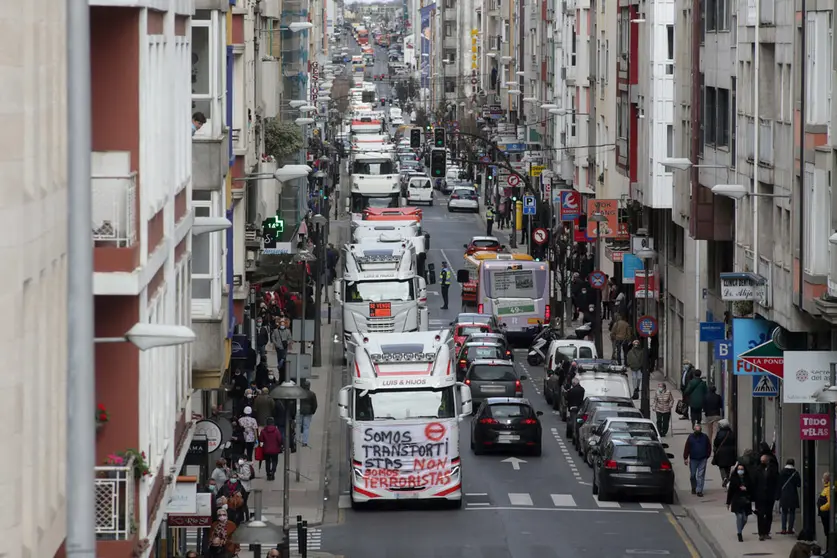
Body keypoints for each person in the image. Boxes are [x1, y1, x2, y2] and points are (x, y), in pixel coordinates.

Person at [753, 451, 779, 540]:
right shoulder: (757, 470)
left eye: (764, 461)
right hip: (760, 496)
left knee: (768, 514)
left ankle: (767, 532)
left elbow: (776, 482)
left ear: (768, 461)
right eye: (762, 461)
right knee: (760, 515)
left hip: (769, 495)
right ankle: (761, 533)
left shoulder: (773, 470)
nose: (763, 462)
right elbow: (754, 484)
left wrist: (776, 494)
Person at [726, 463, 753, 542]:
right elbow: (730, 491)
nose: (740, 471)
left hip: (746, 501)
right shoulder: (734, 479)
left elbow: (752, 489)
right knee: (739, 516)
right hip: (737, 500)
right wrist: (728, 502)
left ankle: (740, 529)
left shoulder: (748, 478)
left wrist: (746, 488)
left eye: (742, 469)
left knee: (745, 519)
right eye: (739, 469)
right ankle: (739, 533)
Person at [683, 423, 711, 497]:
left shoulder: (705, 437)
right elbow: (687, 447)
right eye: (696, 429)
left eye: (699, 429)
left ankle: (699, 490)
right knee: (693, 475)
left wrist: (707, 455)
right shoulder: (690, 437)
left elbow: (709, 446)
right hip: (693, 459)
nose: (698, 431)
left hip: (702, 458)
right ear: (694, 430)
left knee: (700, 475)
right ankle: (694, 487)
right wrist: (685, 457)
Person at [778, 458, 801, 535]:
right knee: (792, 512)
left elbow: (779, 483)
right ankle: (790, 529)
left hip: (784, 494)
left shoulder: (781, 472)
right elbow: (799, 484)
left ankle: (783, 529)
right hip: (793, 494)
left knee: (784, 512)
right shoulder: (795, 473)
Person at [712, 419, 737, 485]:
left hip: (721, 452)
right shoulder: (731, 433)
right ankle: (727, 477)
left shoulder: (719, 433)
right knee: (728, 466)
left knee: (721, 466)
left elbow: (716, 442)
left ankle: (724, 478)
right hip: (730, 452)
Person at [259, 416, 284, 481]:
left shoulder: (263, 431)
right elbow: (279, 439)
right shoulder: (276, 431)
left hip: (266, 450)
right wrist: (280, 445)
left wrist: (261, 446)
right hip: (275, 450)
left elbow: (261, 440)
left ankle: (268, 474)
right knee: (274, 461)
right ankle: (273, 472)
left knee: (267, 462)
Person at [299, 379, 318, 447]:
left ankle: (298, 439)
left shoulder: (300, 393)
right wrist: (312, 411)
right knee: (306, 427)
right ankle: (305, 442)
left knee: (299, 425)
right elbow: (315, 404)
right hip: (308, 412)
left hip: (300, 411)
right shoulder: (312, 394)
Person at [818, 472, 830, 538]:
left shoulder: (828, 489)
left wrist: (821, 508)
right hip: (824, 514)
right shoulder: (826, 488)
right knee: (826, 532)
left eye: (823, 478)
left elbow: (830, 503)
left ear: (826, 480)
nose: (822, 479)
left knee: (828, 532)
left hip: (826, 514)